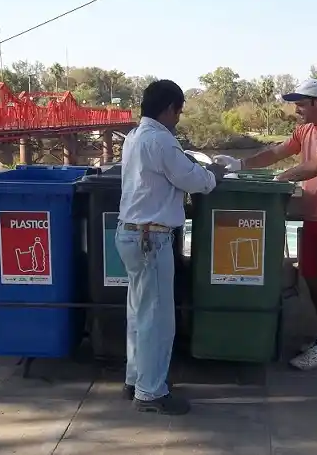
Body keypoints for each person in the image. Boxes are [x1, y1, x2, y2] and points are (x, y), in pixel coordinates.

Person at [213, 78, 317, 371]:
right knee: (311, 276)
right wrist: (241, 165)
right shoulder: (305, 130)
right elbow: (277, 152)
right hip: (313, 212)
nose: (296, 110)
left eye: (301, 104)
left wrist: (282, 177)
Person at [116, 79, 225, 415]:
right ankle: (150, 393)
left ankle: (136, 379)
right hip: (153, 238)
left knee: (139, 312)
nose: (178, 117)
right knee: (157, 319)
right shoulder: (161, 141)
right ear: (168, 109)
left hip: (130, 234)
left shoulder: (135, 136)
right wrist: (213, 175)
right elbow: (193, 180)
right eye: (179, 111)